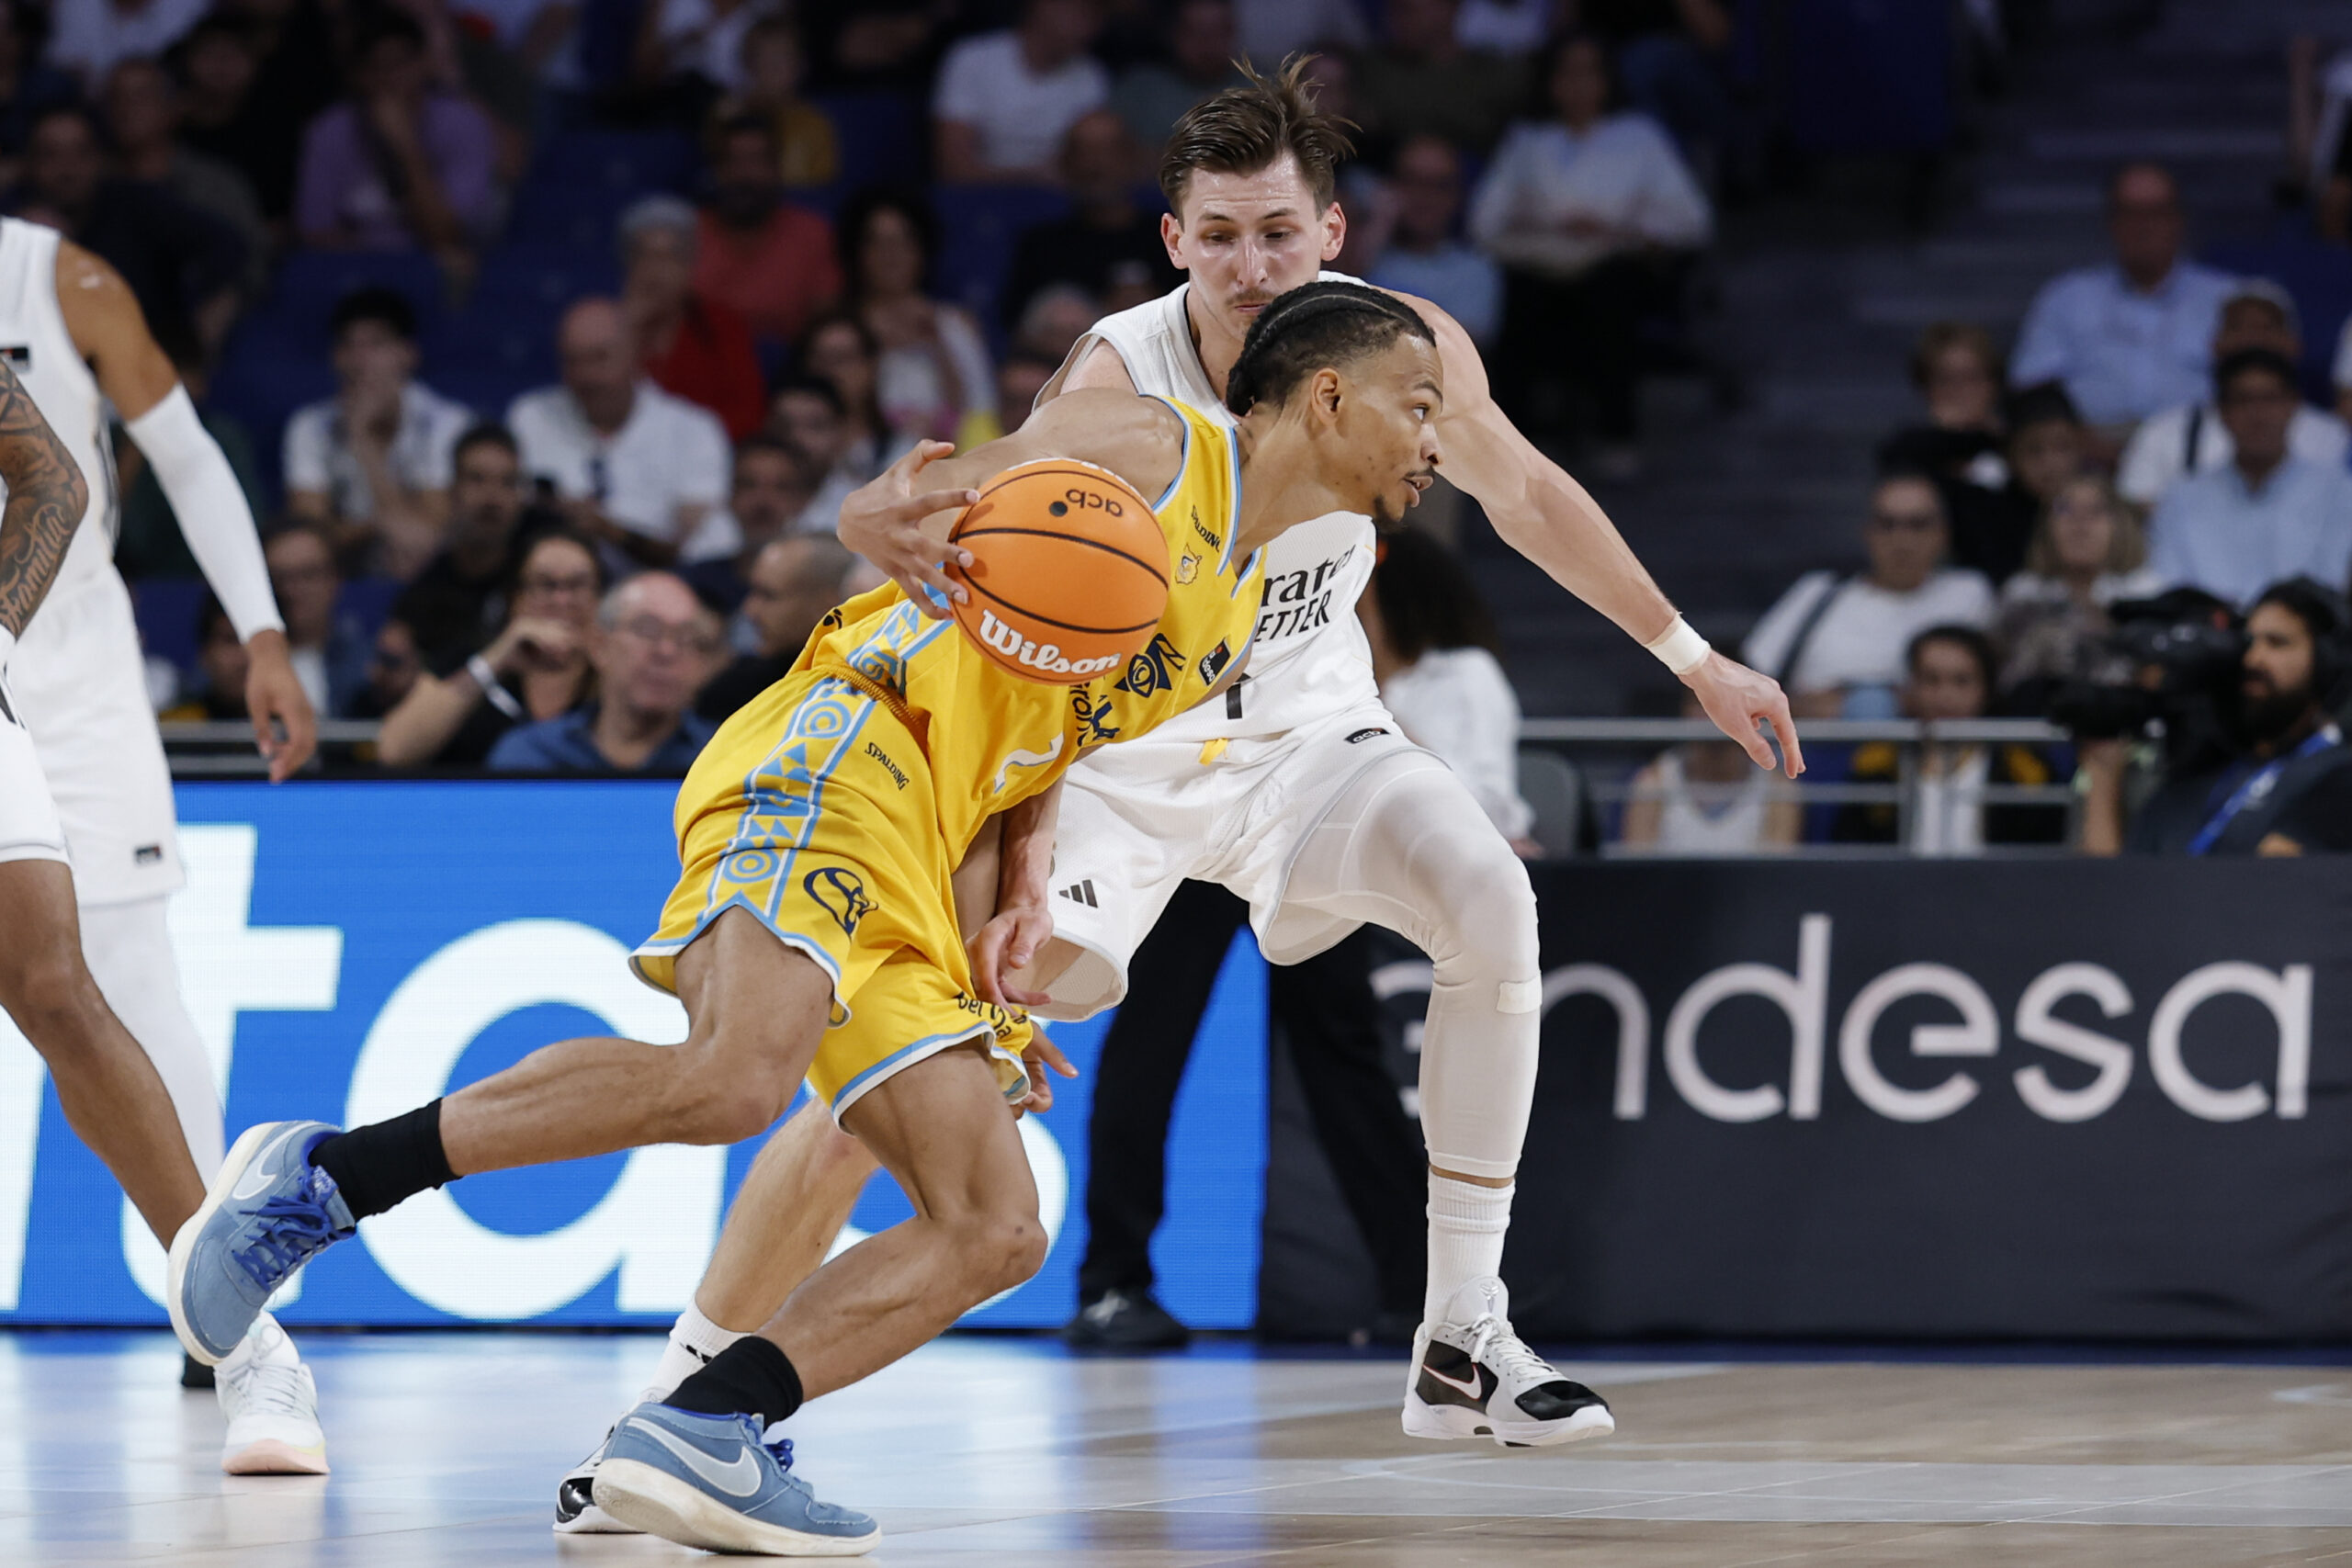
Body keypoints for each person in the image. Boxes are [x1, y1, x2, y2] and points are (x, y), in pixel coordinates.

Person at [548, 65, 1804, 1532]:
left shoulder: (1398, 354)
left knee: (1491, 900)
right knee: (888, 1084)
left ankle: (1464, 1329)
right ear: (1172, 242)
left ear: (1330, 229)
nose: (1250, 267)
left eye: (1277, 233)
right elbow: (973, 564)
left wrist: (1694, 656)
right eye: (1218, 237)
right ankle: (673, 1403)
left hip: (1306, 745)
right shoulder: (1115, 385)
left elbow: (1524, 495)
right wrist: (874, 517)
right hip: (1111, 784)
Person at [169, 277, 1473, 1556]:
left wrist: (1013, 898)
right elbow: (922, 490)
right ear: (1327, 393)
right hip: (848, 745)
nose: (1438, 437)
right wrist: (871, 509)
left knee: (996, 1220)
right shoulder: (1155, 442)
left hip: (935, 837)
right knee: (742, 1077)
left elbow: (1048, 733)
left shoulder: (1243, 608)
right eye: (1421, 403)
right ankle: (320, 1182)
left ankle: (705, 1420)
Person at [0, 217, 324, 1467]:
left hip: (63, 662)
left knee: (96, 983)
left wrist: (261, 630)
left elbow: (164, 462)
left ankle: (235, 1325)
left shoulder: (59, 276)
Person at [1468, 32, 1711, 474]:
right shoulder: (1527, 140)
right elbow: (1484, 223)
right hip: (1537, 267)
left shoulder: (1639, 138)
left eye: (1590, 73)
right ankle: (1518, 446)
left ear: (1608, 80)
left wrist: (1617, 229)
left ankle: (1616, 433)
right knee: (1517, 299)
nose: (1578, 85)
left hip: (1615, 267)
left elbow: (1690, 221)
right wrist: (1551, 225)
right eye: (1567, 73)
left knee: (1611, 293)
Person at [2084, 579, 2352, 856]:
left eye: (2277, 643)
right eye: (2248, 642)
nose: (2252, 659)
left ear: (2327, 662)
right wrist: (2102, 769)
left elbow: (2274, 885)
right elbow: (2106, 887)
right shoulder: (2198, 779)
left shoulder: (2340, 777)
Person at [2008, 163, 2237, 434]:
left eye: (2156, 212)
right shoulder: (2066, 297)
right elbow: (2032, 388)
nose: (2143, 226)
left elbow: (2258, 391)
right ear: (2111, 221)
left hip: (2201, 453)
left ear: (2179, 219)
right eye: (2131, 213)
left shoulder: (2229, 299)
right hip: (2084, 456)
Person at [506, 297, 734, 570]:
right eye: (573, 360)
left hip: (654, 593)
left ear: (634, 353)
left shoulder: (694, 430)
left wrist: (606, 528)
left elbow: (689, 550)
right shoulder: (530, 417)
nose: (585, 375)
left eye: (599, 358)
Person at [1743, 471, 1996, 717]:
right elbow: (1749, 684)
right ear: (1867, 532)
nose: (1902, 539)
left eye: (1917, 525)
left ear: (1943, 534)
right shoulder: (1819, 592)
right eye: (1888, 524)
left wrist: (1893, 706)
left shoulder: (1969, 594)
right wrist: (1815, 710)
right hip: (1813, 750)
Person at [12, 104, 245, 359]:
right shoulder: (12, 216)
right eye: (50, 155)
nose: (67, 169)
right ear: (28, 163)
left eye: (81, 153)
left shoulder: (138, 205)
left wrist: (190, 340)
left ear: (100, 158)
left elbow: (228, 246)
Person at [1356, 527, 1536, 848]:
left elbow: (1490, 811)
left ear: (1396, 603)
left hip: (1464, 864)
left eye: (1359, 603)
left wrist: (1376, 719)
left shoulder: (1467, 673)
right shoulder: (1337, 687)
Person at [283, 287, 475, 580]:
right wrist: (386, 522)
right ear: (335, 358)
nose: (360, 361)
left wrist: (364, 442)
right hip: (343, 578)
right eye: (348, 346)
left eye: (376, 344)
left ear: (408, 354)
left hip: (432, 578)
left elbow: (424, 542)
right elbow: (313, 541)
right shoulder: (310, 426)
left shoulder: (448, 425)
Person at [373, 528, 604, 767]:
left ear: (600, 597)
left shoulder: (616, 671)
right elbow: (393, 750)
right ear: (516, 598)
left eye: (577, 585)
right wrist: (495, 662)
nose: (561, 601)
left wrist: (604, 663)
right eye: (546, 585)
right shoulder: (471, 660)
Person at [292, 10, 500, 274]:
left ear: (424, 63)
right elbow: (315, 235)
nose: (390, 79)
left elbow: (447, 237)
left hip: (434, 268)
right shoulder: (328, 131)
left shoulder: (463, 124)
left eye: (401, 64)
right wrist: (380, 264)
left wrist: (405, 147)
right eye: (375, 67)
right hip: (353, 270)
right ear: (356, 75)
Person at [2118, 279, 2350, 510]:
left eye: (2266, 328)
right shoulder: (2162, 432)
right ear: (2215, 342)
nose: (2251, 339)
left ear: (2293, 344)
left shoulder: (2332, 437)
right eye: (2238, 327)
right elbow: (2136, 516)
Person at [1832, 626, 2066, 854]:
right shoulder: (1874, 765)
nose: (1945, 695)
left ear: (1986, 690)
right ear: (1910, 689)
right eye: (1931, 680)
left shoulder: (2026, 771)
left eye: (1961, 681)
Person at [2145, 347, 2352, 607]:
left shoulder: (2340, 492)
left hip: (2309, 639)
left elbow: (2332, 587)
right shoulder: (2181, 498)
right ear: (2221, 411)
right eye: (2243, 400)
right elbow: (2172, 588)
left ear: (2294, 405)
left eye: (2270, 399)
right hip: (2206, 639)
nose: (2257, 414)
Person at [486, 571, 718, 773]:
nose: (666, 651)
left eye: (685, 637)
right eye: (648, 629)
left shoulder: (724, 761)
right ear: (599, 644)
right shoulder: (531, 755)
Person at [98, 56, 269, 302]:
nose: (126, 107)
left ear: (172, 108)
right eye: (116, 97)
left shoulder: (216, 185)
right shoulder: (94, 186)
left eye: (141, 96)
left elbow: (252, 267)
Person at [389, 423, 556, 668]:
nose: (492, 497)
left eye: (508, 482)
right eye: (477, 480)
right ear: (452, 491)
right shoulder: (423, 596)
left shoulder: (547, 576)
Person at [1001, 111, 1183, 333]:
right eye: (1083, 152)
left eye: (1110, 151)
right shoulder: (1041, 245)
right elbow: (1018, 329)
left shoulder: (1173, 237)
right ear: (1066, 163)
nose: (1096, 165)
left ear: (1133, 159)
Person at [839, 187, 994, 444]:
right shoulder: (839, 329)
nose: (891, 254)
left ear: (922, 250)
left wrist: (937, 346)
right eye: (876, 241)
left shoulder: (956, 324)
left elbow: (981, 409)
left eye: (904, 241)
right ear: (857, 252)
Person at [1993, 474, 2161, 707]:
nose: (2079, 522)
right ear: (2045, 525)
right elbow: (2008, 681)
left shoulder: (2148, 593)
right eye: (2065, 509)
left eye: (2096, 511)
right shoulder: (2021, 594)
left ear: (2120, 525)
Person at [619, 195, 765, 440]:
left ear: (690, 266)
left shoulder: (723, 326)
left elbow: (749, 413)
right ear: (627, 266)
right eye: (645, 257)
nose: (657, 271)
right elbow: (597, 403)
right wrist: (625, 331)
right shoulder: (605, 330)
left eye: (670, 257)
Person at [693, 108, 839, 346]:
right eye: (732, 161)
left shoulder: (812, 234)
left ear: (776, 169)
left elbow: (829, 326)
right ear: (716, 171)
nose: (743, 174)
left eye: (755, 161)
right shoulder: (688, 235)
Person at [932, 0, 1111, 185]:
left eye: (1095, 16)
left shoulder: (1091, 74)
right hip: (980, 198)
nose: (1088, 27)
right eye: (1080, 11)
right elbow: (953, 168)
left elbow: (1093, 166)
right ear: (1041, 6)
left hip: (1062, 201)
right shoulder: (972, 58)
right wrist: (1031, 176)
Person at [1876, 321, 2010, 552]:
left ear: (1993, 383)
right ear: (1925, 387)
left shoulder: (2019, 447)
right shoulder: (1909, 452)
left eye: (1971, 377)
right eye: (1946, 379)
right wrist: (1951, 436)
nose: (1959, 391)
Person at [695, 533, 858, 721]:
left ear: (825, 607)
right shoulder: (738, 683)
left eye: (768, 595)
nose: (750, 609)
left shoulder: (858, 697)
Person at [1620, 688, 1802, 854]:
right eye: (1700, 703)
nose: (1713, 714)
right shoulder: (1653, 782)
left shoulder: (1779, 789)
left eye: (1724, 703)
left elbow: (1777, 877)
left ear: (1750, 713)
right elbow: (1639, 873)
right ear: (1685, 710)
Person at [1364, 134, 1502, 345]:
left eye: (1439, 185)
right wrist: (1376, 229)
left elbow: (1458, 351)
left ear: (1458, 195)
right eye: (1412, 180)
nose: (1424, 196)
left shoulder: (1476, 270)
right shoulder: (1363, 251)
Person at [1359, 0, 1529, 154]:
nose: (1396, 20)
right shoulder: (1373, 67)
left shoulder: (1492, 73)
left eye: (1407, 9)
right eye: (1393, 10)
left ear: (1450, 8)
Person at [707, 17, 837, 187]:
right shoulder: (728, 114)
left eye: (782, 59)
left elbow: (821, 184)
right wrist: (723, 122)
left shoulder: (815, 124)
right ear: (748, 65)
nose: (773, 69)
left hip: (794, 206)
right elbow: (715, 171)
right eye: (764, 59)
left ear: (801, 66)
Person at [264, 523, 372, 719]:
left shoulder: (368, 665)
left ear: (336, 579)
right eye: (280, 577)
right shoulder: (239, 659)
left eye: (308, 575)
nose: (293, 590)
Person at [678, 431, 813, 587]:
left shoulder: (822, 588)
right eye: (749, 485)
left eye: (781, 487)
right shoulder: (694, 584)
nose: (763, 500)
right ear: (730, 495)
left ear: (801, 500)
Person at [1111, 0, 1248, 151]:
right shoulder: (1139, 89)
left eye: (1217, 31)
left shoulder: (1260, 87)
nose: (1206, 44)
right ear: (1173, 34)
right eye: (1195, 32)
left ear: (1233, 32)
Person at [797, 309, 910, 480]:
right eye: (820, 359)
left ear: (871, 366)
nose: (830, 371)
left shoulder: (902, 452)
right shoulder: (782, 449)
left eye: (841, 358)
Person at [766, 373, 863, 536]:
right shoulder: (744, 500)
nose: (797, 438)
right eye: (784, 425)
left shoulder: (866, 507)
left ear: (842, 434)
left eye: (814, 426)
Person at [49, 0, 208, 85]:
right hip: (92, 105)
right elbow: (67, 65)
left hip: (168, 101)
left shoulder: (189, 4)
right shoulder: (75, 4)